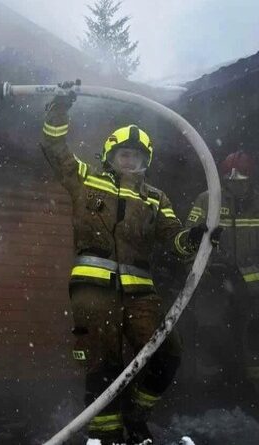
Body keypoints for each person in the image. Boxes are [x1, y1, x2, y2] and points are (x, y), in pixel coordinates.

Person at [40, 88, 216, 444]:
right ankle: (107, 437)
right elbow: (54, 148)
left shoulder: (155, 198)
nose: (129, 161)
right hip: (93, 289)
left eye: (136, 156)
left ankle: (136, 414)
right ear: (110, 155)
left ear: (145, 161)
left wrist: (195, 237)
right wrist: (58, 109)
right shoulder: (86, 179)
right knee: (102, 362)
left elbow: (174, 240)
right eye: (124, 154)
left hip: (140, 294)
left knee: (167, 353)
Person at [185, 151, 259, 397]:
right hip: (213, 283)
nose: (238, 184)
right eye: (232, 179)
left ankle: (252, 391)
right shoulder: (208, 200)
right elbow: (188, 240)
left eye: (243, 179)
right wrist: (203, 270)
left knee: (252, 334)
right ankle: (208, 391)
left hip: (252, 287)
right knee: (210, 331)